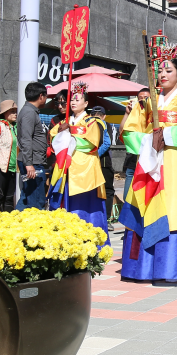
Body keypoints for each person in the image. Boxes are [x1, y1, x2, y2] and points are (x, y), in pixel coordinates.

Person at [118, 45, 177, 281]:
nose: (162, 74)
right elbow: (130, 131)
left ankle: (173, 269)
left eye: (168, 70)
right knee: (146, 207)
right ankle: (142, 268)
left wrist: (167, 136)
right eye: (160, 70)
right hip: (150, 163)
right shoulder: (147, 103)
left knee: (174, 211)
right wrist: (150, 139)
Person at [49, 82, 109, 244]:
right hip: (67, 169)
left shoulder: (91, 122)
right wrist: (61, 134)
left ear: (86, 103)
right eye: (72, 99)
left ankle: (90, 239)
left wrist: (69, 137)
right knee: (66, 203)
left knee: (86, 206)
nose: (74, 102)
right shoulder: (64, 122)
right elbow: (53, 138)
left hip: (85, 170)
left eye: (78, 99)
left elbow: (92, 143)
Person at [17, 82, 49, 210]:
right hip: (33, 163)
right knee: (36, 201)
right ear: (41, 96)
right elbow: (26, 139)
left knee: (27, 197)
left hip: (33, 161)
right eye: (46, 96)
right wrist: (29, 164)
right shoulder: (29, 113)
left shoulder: (30, 111)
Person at [120, 87, 151, 203]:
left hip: (148, 159)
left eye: (146, 98)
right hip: (133, 158)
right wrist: (127, 114)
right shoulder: (134, 113)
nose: (143, 100)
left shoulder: (154, 113)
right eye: (140, 98)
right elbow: (122, 132)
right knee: (127, 196)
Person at [90, 106, 115, 220]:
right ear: (104, 116)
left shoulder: (87, 124)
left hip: (92, 162)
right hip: (102, 162)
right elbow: (107, 143)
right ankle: (106, 218)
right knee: (107, 190)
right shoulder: (106, 124)